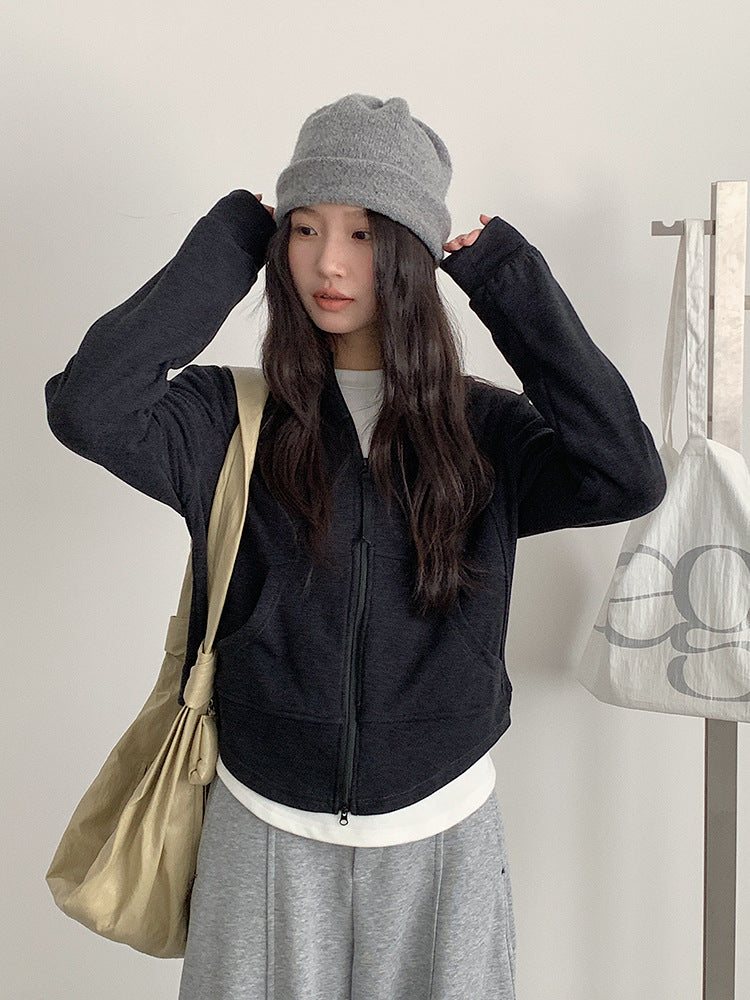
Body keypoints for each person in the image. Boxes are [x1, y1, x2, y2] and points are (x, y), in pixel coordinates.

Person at [44, 93, 666, 999]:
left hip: (442, 833)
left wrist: (508, 282)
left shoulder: (483, 434)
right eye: (304, 229)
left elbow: (626, 475)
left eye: (365, 233)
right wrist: (228, 241)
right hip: (260, 825)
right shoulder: (229, 422)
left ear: (413, 251)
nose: (328, 263)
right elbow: (88, 408)